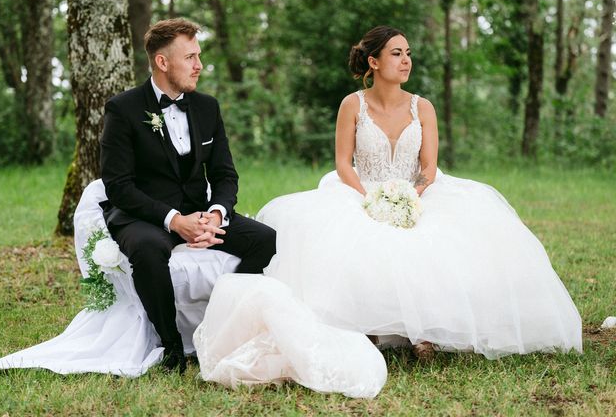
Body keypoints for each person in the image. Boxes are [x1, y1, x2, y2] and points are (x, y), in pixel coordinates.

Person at [194, 26, 581, 394]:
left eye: (408, 54)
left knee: (434, 238)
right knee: (356, 239)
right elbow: (344, 163)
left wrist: (414, 194)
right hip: (359, 190)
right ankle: (368, 325)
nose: (406, 60)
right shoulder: (353, 104)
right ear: (374, 62)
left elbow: (428, 166)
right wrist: (368, 199)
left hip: (417, 192)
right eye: (397, 53)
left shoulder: (423, 107)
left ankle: (424, 332)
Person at [100, 18, 276, 374]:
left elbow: (225, 175)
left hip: (199, 211)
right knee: (148, 251)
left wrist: (215, 215)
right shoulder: (123, 109)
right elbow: (119, 186)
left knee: (265, 240)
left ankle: (222, 328)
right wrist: (174, 221)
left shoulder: (207, 107)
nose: (199, 66)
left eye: (200, 56)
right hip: (143, 215)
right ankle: (171, 347)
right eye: (190, 57)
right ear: (162, 63)